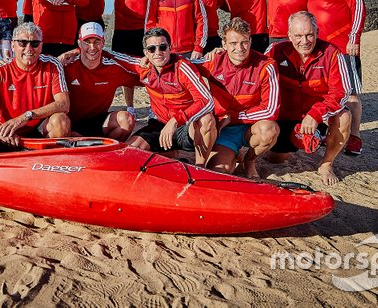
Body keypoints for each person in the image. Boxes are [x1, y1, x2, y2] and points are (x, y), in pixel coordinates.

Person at [266, 11, 352, 185]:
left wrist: (315, 114)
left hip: (315, 118)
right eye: (298, 35)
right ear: (289, 35)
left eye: (309, 35)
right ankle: (291, 146)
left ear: (317, 32)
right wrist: (220, 54)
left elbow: (341, 93)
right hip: (285, 117)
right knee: (276, 159)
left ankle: (326, 163)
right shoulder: (275, 50)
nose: (304, 41)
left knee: (344, 116)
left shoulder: (332, 53)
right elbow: (251, 70)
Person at [111, 28, 217, 166]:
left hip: (185, 126)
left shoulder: (182, 67)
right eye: (152, 49)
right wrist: (78, 50)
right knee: (128, 154)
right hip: (159, 124)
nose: (158, 53)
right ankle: (169, 154)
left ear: (170, 48)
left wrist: (176, 120)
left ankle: (200, 167)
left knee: (207, 120)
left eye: (162, 47)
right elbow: (110, 55)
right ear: (145, 52)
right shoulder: (144, 67)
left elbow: (207, 100)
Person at [0, 22, 71, 146]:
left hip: (39, 126)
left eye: (34, 44)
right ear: (13, 46)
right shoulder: (0, 70)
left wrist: (25, 117)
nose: (29, 49)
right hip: (9, 130)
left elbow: (64, 104)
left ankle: (49, 159)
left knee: (61, 121)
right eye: (22, 43)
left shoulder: (52, 65)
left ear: (41, 46)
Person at [198, 18, 279, 178]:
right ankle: (233, 154)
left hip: (250, 127)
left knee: (269, 130)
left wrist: (235, 116)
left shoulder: (266, 65)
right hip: (224, 130)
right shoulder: (214, 60)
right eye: (233, 43)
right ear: (224, 43)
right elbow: (183, 67)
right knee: (220, 172)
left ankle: (249, 161)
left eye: (244, 42)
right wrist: (149, 60)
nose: (239, 48)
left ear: (250, 41)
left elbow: (271, 110)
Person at [306, 0, 366, 156]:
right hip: (321, 51)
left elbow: (358, 8)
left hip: (343, 48)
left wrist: (354, 39)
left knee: (350, 94)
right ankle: (328, 132)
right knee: (325, 93)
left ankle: (355, 137)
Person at [110, 0, 161, 110]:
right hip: (122, 27)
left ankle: (155, 105)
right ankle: (130, 107)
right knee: (125, 70)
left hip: (145, 27)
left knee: (149, 67)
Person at [63, 22, 140, 140]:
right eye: (87, 42)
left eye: (97, 42)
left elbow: (147, 79)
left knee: (127, 120)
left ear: (103, 43)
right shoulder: (67, 66)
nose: (92, 47)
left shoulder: (113, 68)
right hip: (68, 122)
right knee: (58, 123)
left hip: (99, 122)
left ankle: (108, 150)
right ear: (79, 43)